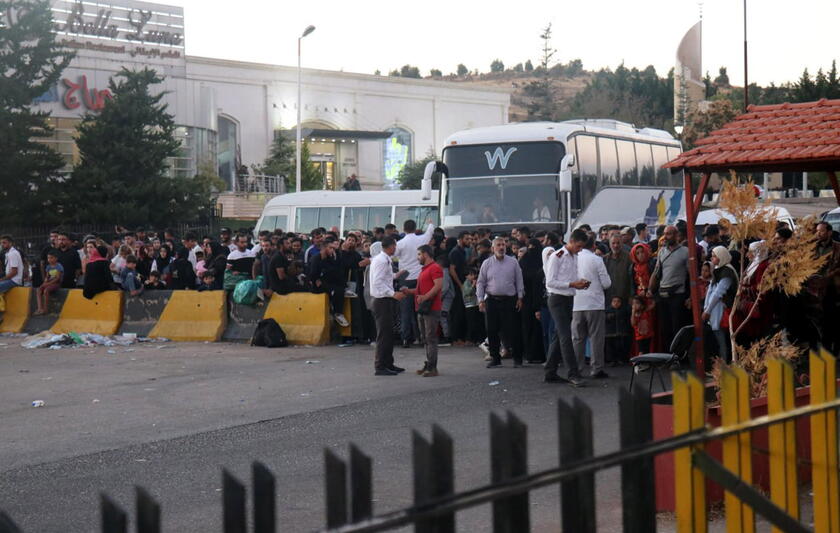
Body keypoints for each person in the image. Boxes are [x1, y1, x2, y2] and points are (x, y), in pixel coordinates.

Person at [543, 229, 590, 386]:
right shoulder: (557, 257)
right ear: (571, 241)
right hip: (557, 299)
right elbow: (550, 282)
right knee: (565, 336)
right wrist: (572, 284)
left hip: (569, 298)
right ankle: (573, 373)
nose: (580, 249)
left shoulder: (574, 256)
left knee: (558, 336)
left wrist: (580, 283)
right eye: (578, 246)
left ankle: (550, 371)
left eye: (582, 247)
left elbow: (571, 278)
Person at [476, 237, 525, 368]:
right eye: (498, 245)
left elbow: (519, 280)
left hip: (510, 300)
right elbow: (480, 282)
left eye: (503, 245)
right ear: (493, 248)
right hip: (492, 300)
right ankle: (495, 358)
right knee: (491, 330)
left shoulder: (513, 262)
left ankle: (517, 358)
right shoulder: (487, 263)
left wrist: (520, 297)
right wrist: (480, 300)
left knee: (514, 330)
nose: (501, 247)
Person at [572, 233, 612, 378]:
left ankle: (577, 369)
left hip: (576, 303)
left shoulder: (574, 258)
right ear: (593, 245)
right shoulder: (596, 259)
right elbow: (606, 283)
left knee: (578, 339)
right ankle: (596, 368)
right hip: (595, 303)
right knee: (596, 338)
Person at [402, 245, 443, 376]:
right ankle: (429, 364)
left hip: (431, 308)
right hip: (423, 308)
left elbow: (438, 286)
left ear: (425, 254)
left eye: (419, 254)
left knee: (430, 338)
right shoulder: (424, 270)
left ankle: (432, 367)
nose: (417, 257)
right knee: (426, 338)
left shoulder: (435, 268)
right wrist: (409, 291)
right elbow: (421, 290)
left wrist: (425, 297)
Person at [369, 237, 407, 376]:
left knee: (389, 334)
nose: (395, 249)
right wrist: (393, 294)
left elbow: (386, 277)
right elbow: (378, 281)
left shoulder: (384, 260)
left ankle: (388, 363)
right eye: (395, 246)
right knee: (384, 335)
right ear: (390, 246)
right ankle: (380, 366)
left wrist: (397, 275)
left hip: (385, 299)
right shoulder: (381, 260)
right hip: (382, 300)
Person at [394, 220, 435, 348]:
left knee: (405, 310)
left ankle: (406, 338)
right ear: (415, 228)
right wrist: (430, 223)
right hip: (419, 277)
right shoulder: (421, 239)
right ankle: (422, 338)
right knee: (421, 309)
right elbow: (430, 232)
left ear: (404, 229)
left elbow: (393, 256)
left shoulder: (400, 243)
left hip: (405, 277)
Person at [648, 225, 689, 350]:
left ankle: (678, 355)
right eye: (665, 234)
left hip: (677, 294)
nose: (666, 237)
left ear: (676, 235)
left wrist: (691, 296)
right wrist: (650, 289)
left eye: (669, 234)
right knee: (665, 327)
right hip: (663, 294)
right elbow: (656, 272)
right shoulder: (662, 252)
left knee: (677, 326)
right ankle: (668, 355)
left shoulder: (685, 252)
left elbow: (691, 275)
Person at [703, 246, 738, 362]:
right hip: (715, 310)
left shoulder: (727, 272)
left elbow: (718, 293)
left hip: (723, 311)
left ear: (721, 257)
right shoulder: (719, 269)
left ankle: (724, 366)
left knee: (722, 340)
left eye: (714, 256)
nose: (712, 258)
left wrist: (707, 310)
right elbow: (711, 290)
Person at [310, 237, 349, 327]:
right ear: (324, 248)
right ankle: (337, 313)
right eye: (330, 248)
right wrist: (316, 280)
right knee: (337, 291)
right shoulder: (316, 259)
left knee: (339, 286)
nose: (332, 250)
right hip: (318, 285)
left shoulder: (330, 258)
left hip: (328, 282)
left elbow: (334, 271)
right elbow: (312, 274)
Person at [519, 239, 546, 363]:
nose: (531, 250)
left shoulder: (525, 261)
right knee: (532, 327)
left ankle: (532, 354)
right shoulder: (537, 262)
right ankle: (533, 354)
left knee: (532, 327)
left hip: (531, 299)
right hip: (532, 299)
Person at [34, 251, 63, 315]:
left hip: (56, 283)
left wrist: (48, 284)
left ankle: (45, 309)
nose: (49, 260)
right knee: (39, 290)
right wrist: (45, 281)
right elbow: (47, 276)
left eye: (51, 258)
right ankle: (39, 308)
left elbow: (57, 278)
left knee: (46, 291)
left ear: (56, 258)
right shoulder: (48, 267)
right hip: (49, 282)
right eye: (48, 258)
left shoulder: (59, 266)